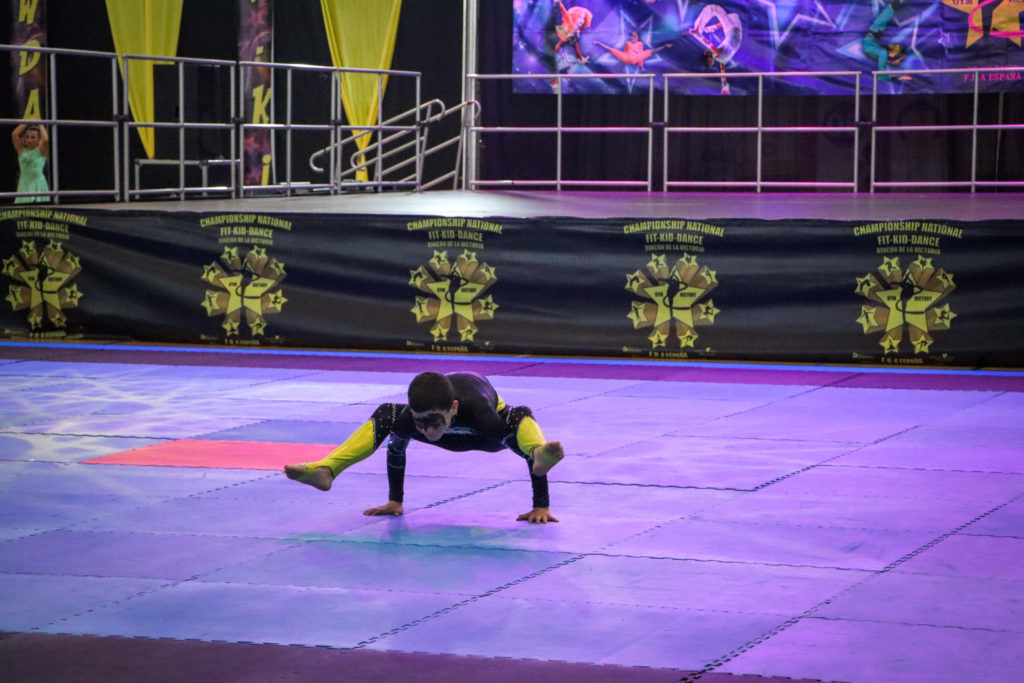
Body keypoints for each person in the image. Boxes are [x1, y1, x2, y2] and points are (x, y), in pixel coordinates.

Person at [285, 371, 566, 523]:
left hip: (483, 436)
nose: (428, 431)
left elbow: (528, 457)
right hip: (451, 431)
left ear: (453, 407)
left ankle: (538, 449)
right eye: (421, 423)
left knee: (520, 416)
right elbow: (396, 448)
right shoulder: (414, 419)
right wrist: (395, 500)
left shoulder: (479, 411)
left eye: (433, 422)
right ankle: (327, 469)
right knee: (388, 414)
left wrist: (540, 504)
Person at [688, 4, 743, 94]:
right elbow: (710, 46)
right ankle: (702, 29)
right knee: (714, 9)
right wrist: (697, 36)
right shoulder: (719, 56)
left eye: (710, 63)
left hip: (733, 30)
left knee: (721, 14)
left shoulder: (720, 58)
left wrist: (724, 85)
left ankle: (704, 29)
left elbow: (722, 71)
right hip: (733, 29)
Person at [862, 2, 909, 81]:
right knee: (887, 13)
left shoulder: (883, 54)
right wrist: (898, 78)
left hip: (870, 42)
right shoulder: (883, 54)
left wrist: (897, 78)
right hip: (872, 39)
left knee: (887, 13)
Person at [11, 122, 50, 203]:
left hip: (38, 185)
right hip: (24, 185)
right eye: (27, 137)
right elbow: (14, 134)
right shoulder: (21, 150)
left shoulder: (41, 151)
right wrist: (27, 121)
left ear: (38, 139)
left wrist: (40, 123)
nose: (29, 140)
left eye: (33, 137)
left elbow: (46, 139)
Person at [594, 31, 672, 70]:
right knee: (613, 50)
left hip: (636, 57)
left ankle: (665, 46)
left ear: (637, 38)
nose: (633, 38)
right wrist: (623, 58)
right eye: (632, 36)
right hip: (627, 57)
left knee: (650, 51)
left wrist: (641, 66)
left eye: (635, 36)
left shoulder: (639, 43)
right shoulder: (628, 43)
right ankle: (599, 43)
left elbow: (641, 54)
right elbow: (625, 52)